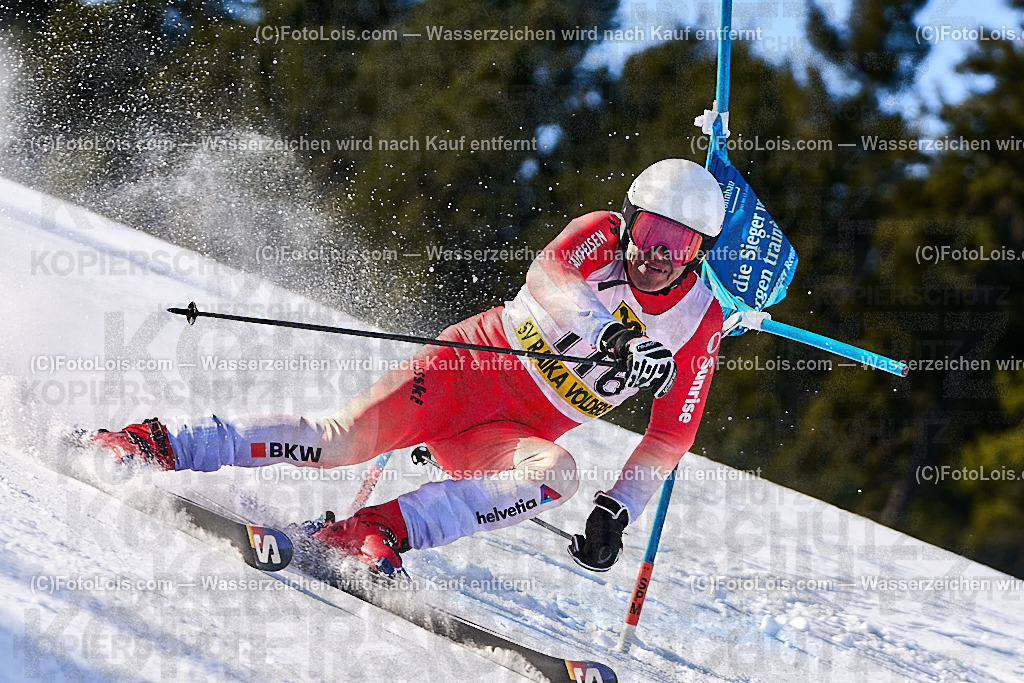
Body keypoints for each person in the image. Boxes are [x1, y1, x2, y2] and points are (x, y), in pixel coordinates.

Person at [90, 158, 726, 575]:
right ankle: (159, 442)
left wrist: (618, 509)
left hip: (503, 437)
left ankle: (373, 531)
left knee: (558, 473)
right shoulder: (600, 235)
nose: (657, 255)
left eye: (680, 245)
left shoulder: (698, 322)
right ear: (630, 220)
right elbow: (548, 276)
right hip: (461, 373)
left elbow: (671, 436)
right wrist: (609, 333)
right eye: (651, 232)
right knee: (336, 443)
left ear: (699, 254)